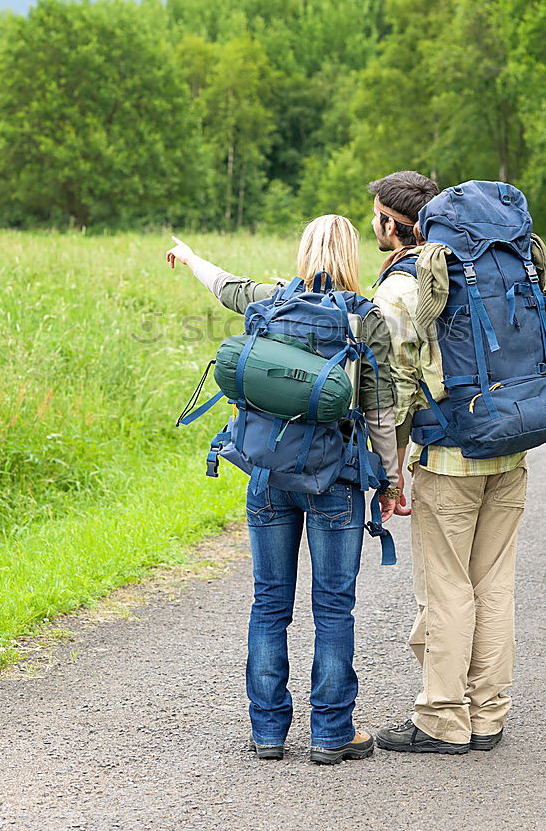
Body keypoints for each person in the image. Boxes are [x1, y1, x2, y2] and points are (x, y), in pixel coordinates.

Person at [165, 215, 401, 764]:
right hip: (335, 481)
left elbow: (225, 286)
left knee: (270, 604)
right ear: (351, 255)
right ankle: (330, 734)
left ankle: (268, 732)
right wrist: (388, 481)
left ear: (304, 252)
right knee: (334, 608)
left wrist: (190, 256)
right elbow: (381, 414)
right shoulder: (364, 320)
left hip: (268, 476)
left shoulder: (271, 302)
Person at [368, 171, 546, 755]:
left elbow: (395, 382)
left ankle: (443, 719)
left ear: (390, 223)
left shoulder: (408, 283)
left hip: (449, 456)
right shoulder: (502, 260)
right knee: (494, 584)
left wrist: (392, 464)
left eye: (374, 214)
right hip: (510, 444)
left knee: (447, 586)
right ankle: (488, 715)